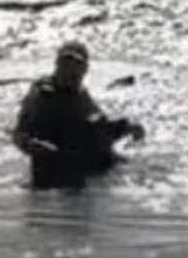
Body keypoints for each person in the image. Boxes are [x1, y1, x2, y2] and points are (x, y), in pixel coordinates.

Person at [13, 40, 144, 190]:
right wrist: (36, 146)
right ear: (57, 66)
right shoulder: (42, 96)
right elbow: (20, 134)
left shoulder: (80, 95)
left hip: (86, 166)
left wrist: (126, 128)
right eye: (65, 64)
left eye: (76, 65)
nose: (70, 70)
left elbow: (99, 128)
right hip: (54, 170)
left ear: (85, 70)